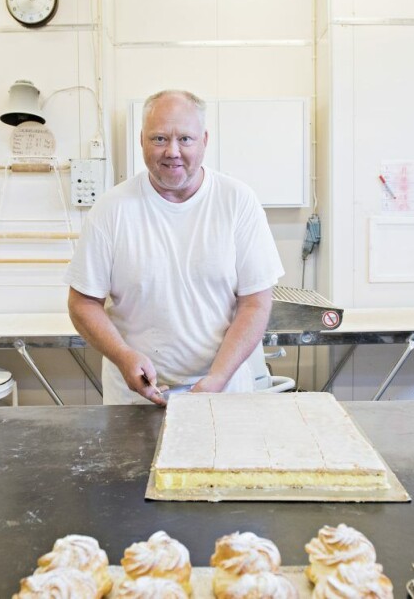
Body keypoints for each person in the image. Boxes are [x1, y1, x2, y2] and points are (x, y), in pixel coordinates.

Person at [64, 89, 284, 405]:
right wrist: (123, 355)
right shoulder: (112, 209)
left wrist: (218, 378)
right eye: (159, 139)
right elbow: (82, 302)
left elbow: (255, 303)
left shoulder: (237, 202)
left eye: (185, 139)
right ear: (141, 140)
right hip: (136, 398)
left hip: (223, 393)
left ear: (204, 140)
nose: (172, 151)